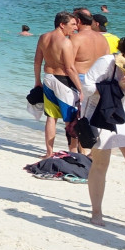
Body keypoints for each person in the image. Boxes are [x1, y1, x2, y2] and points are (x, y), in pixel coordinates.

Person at [83, 31, 125, 227]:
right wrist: (116, 84)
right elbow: (86, 87)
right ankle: (96, 213)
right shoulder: (107, 61)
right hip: (100, 114)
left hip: (123, 114)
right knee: (100, 164)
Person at [34, 11, 79, 157]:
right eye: (72, 24)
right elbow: (70, 68)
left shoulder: (43, 37)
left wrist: (37, 81)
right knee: (70, 118)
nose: (75, 27)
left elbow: (37, 61)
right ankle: (72, 152)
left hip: (48, 78)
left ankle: (49, 152)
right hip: (63, 81)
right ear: (62, 24)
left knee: (51, 117)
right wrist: (81, 88)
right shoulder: (65, 42)